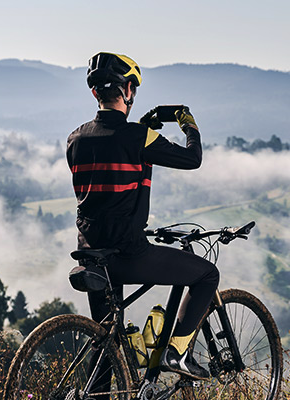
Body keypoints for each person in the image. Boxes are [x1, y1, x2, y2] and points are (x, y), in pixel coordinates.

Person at [66, 52, 219, 380]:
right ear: (129, 91)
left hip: (91, 255)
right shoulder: (138, 137)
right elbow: (192, 159)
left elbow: (106, 182)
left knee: (107, 346)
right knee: (207, 275)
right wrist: (186, 121)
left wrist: (141, 131)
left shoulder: (75, 139)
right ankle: (177, 352)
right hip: (126, 254)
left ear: (95, 93)